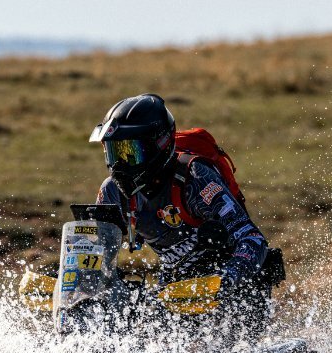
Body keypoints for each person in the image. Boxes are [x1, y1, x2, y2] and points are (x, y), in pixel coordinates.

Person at [89, 93, 281, 338]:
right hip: (176, 289)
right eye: (114, 153)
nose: (119, 167)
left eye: (130, 153)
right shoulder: (112, 191)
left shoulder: (196, 178)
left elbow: (252, 238)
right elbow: (98, 252)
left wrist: (226, 280)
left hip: (237, 288)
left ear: (159, 145)